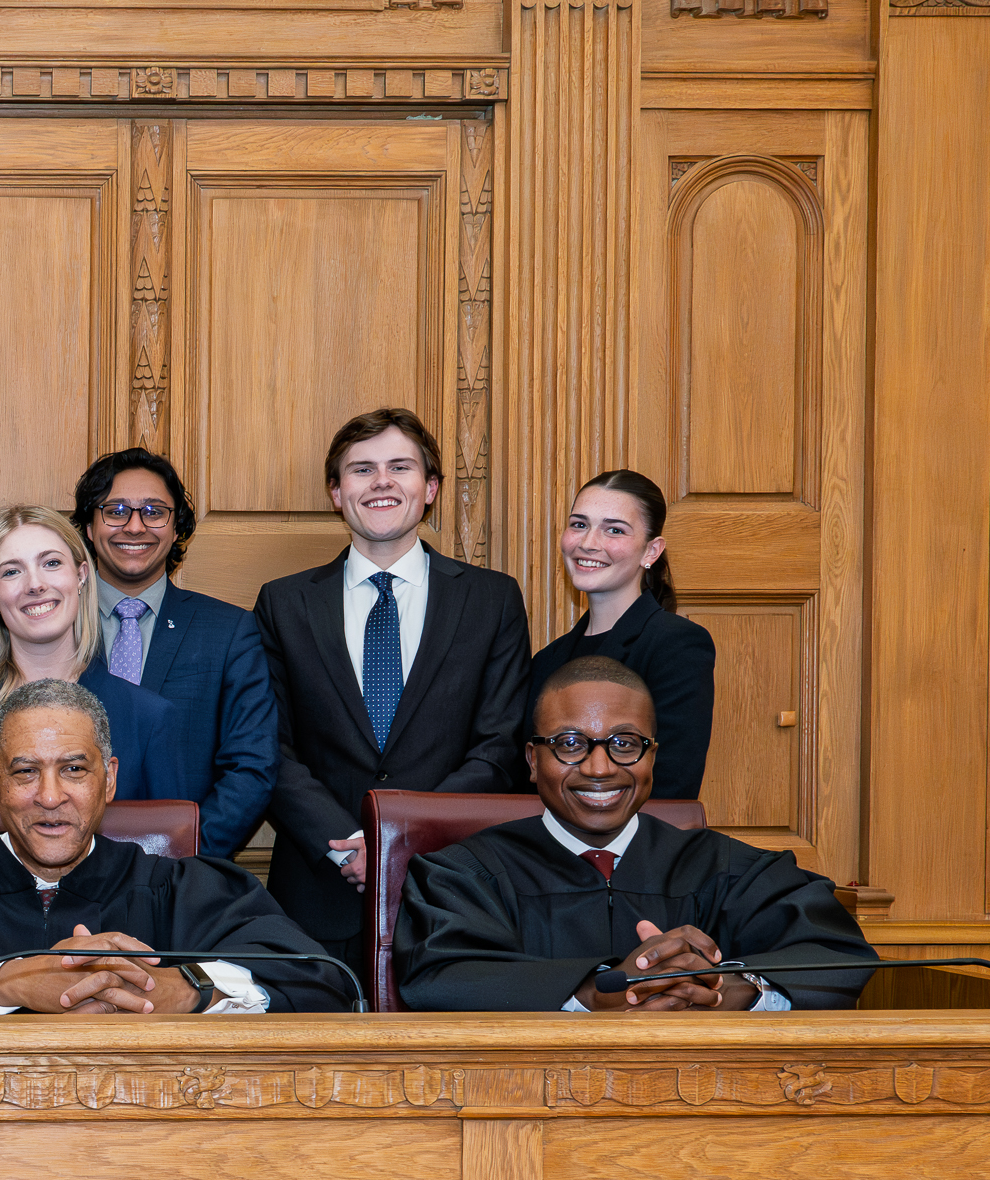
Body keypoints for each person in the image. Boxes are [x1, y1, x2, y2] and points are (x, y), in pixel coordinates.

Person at [0, 678, 356, 1014]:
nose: (50, 797)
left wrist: (190, 991)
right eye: (25, 772)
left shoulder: (179, 886)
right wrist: (6, 982)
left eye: (74, 770)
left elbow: (324, 984)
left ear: (109, 780)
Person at [393, 657, 876, 1011]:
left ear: (652, 757)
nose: (599, 767)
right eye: (569, 744)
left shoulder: (727, 868)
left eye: (625, 743)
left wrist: (732, 986)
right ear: (531, 759)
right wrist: (601, 990)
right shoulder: (463, 874)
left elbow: (837, 954)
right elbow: (442, 978)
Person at [253, 406, 533, 964]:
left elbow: (499, 746)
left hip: (451, 885)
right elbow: (268, 748)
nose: (381, 482)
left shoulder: (491, 599)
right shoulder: (283, 603)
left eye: (400, 467)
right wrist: (350, 846)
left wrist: (405, 841)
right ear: (336, 492)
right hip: (317, 892)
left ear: (430, 488)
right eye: (361, 470)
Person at [69, 446, 279, 859]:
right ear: (90, 528)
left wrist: (185, 855)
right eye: (115, 511)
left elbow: (252, 767)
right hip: (60, 867)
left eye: (153, 511)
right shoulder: (51, 624)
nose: (134, 527)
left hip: (185, 874)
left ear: (176, 527)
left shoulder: (229, 631)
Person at [0, 505, 204, 812]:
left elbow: (167, 848)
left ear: (81, 575)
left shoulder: (149, 719)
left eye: (51, 563)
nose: (35, 584)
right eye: (12, 571)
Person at [529, 469, 713, 801]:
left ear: (651, 551)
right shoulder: (546, 661)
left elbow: (672, 783)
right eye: (579, 524)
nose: (588, 543)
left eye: (614, 530)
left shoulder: (677, 644)